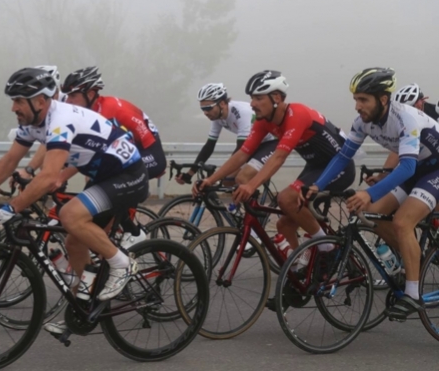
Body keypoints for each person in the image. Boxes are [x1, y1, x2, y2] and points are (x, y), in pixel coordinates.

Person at [0, 67, 148, 334]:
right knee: (74, 241)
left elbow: (48, 177)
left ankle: (122, 265)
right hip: (104, 177)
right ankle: (84, 307)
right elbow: (10, 160)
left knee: (69, 215)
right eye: (13, 100)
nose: (13, 108)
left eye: (19, 101)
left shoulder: (60, 120)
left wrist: (12, 207)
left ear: (40, 101)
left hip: (129, 174)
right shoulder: (33, 123)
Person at [309, 67, 439, 320]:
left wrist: (369, 192)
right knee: (370, 215)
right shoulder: (362, 122)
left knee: (402, 222)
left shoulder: (406, 118)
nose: (357, 106)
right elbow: (343, 156)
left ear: (383, 99)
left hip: (434, 169)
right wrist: (317, 185)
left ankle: (413, 295)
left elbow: (407, 167)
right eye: (355, 99)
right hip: (416, 169)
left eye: (363, 100)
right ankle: (414, 258)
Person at [194, 70, 354, 259]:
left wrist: (251, 185)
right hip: (315, 167)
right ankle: (298, 268)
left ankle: (328, 249)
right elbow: (242, 154)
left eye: (258, 98)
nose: (252, 104)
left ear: (276, 97)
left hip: (339, 167)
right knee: (283, 225)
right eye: (251, 98)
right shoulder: (263, 121)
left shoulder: (297, 114)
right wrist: (211, 180)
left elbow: (279, 157)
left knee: (286, 199)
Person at [60, 66, 166, 180]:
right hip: (127, 151)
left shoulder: (114, 110)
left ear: (90, 94)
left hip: (149, 153)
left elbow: (149, 143)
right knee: (94, 176)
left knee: (103, 177)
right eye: (67, 96)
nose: (68, 101)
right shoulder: (89, 113)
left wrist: (60, 178)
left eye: (73, 96)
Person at [176, 82, 278, 185]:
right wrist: (189, 174)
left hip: (271, 142)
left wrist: (216, 177)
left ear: (222, 103)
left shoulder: (242, 113)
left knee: (241, 178)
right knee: (226, 182)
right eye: (203, 108)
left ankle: (252, 194)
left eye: (208, 108)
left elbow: (240, 149)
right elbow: (209, 147)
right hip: (253, 145)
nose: (205, 112)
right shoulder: (217, 116)